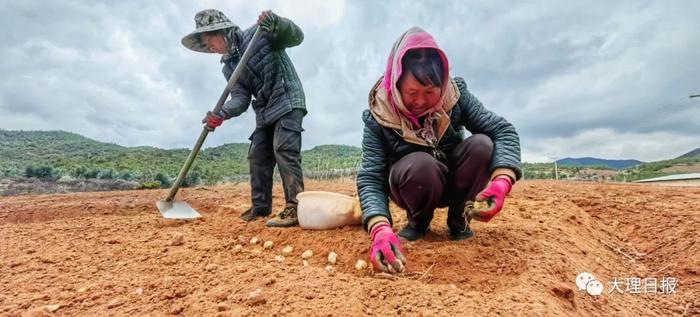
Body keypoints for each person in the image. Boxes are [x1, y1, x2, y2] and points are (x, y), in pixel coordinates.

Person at [357, 27, 522, 273]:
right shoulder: (379, 114)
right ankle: (418, 223)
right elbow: (370, 176)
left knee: (482, 145)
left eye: (430, 92)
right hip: (414, 183)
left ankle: (460, 220)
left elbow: (503, 131)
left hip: (453, 180)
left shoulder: (455, 96)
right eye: (412, 92)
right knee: (421, 164)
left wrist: (502, 181)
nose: (421, 101)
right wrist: (380, 228)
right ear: (396, 82)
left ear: (442, 85)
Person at [181, 9, 307, 227]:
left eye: (209, 40)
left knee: (283, 148)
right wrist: (221, 114)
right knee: (257, 155)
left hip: (287, 98)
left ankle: (295, 207)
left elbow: (297, 36)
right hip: (265, 109)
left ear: (223, 31)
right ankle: (260, 207)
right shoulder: (229, 67)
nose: (209, 48)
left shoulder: (259, 34)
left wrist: (277, 24)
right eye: (204, 45)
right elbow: (240, 98)